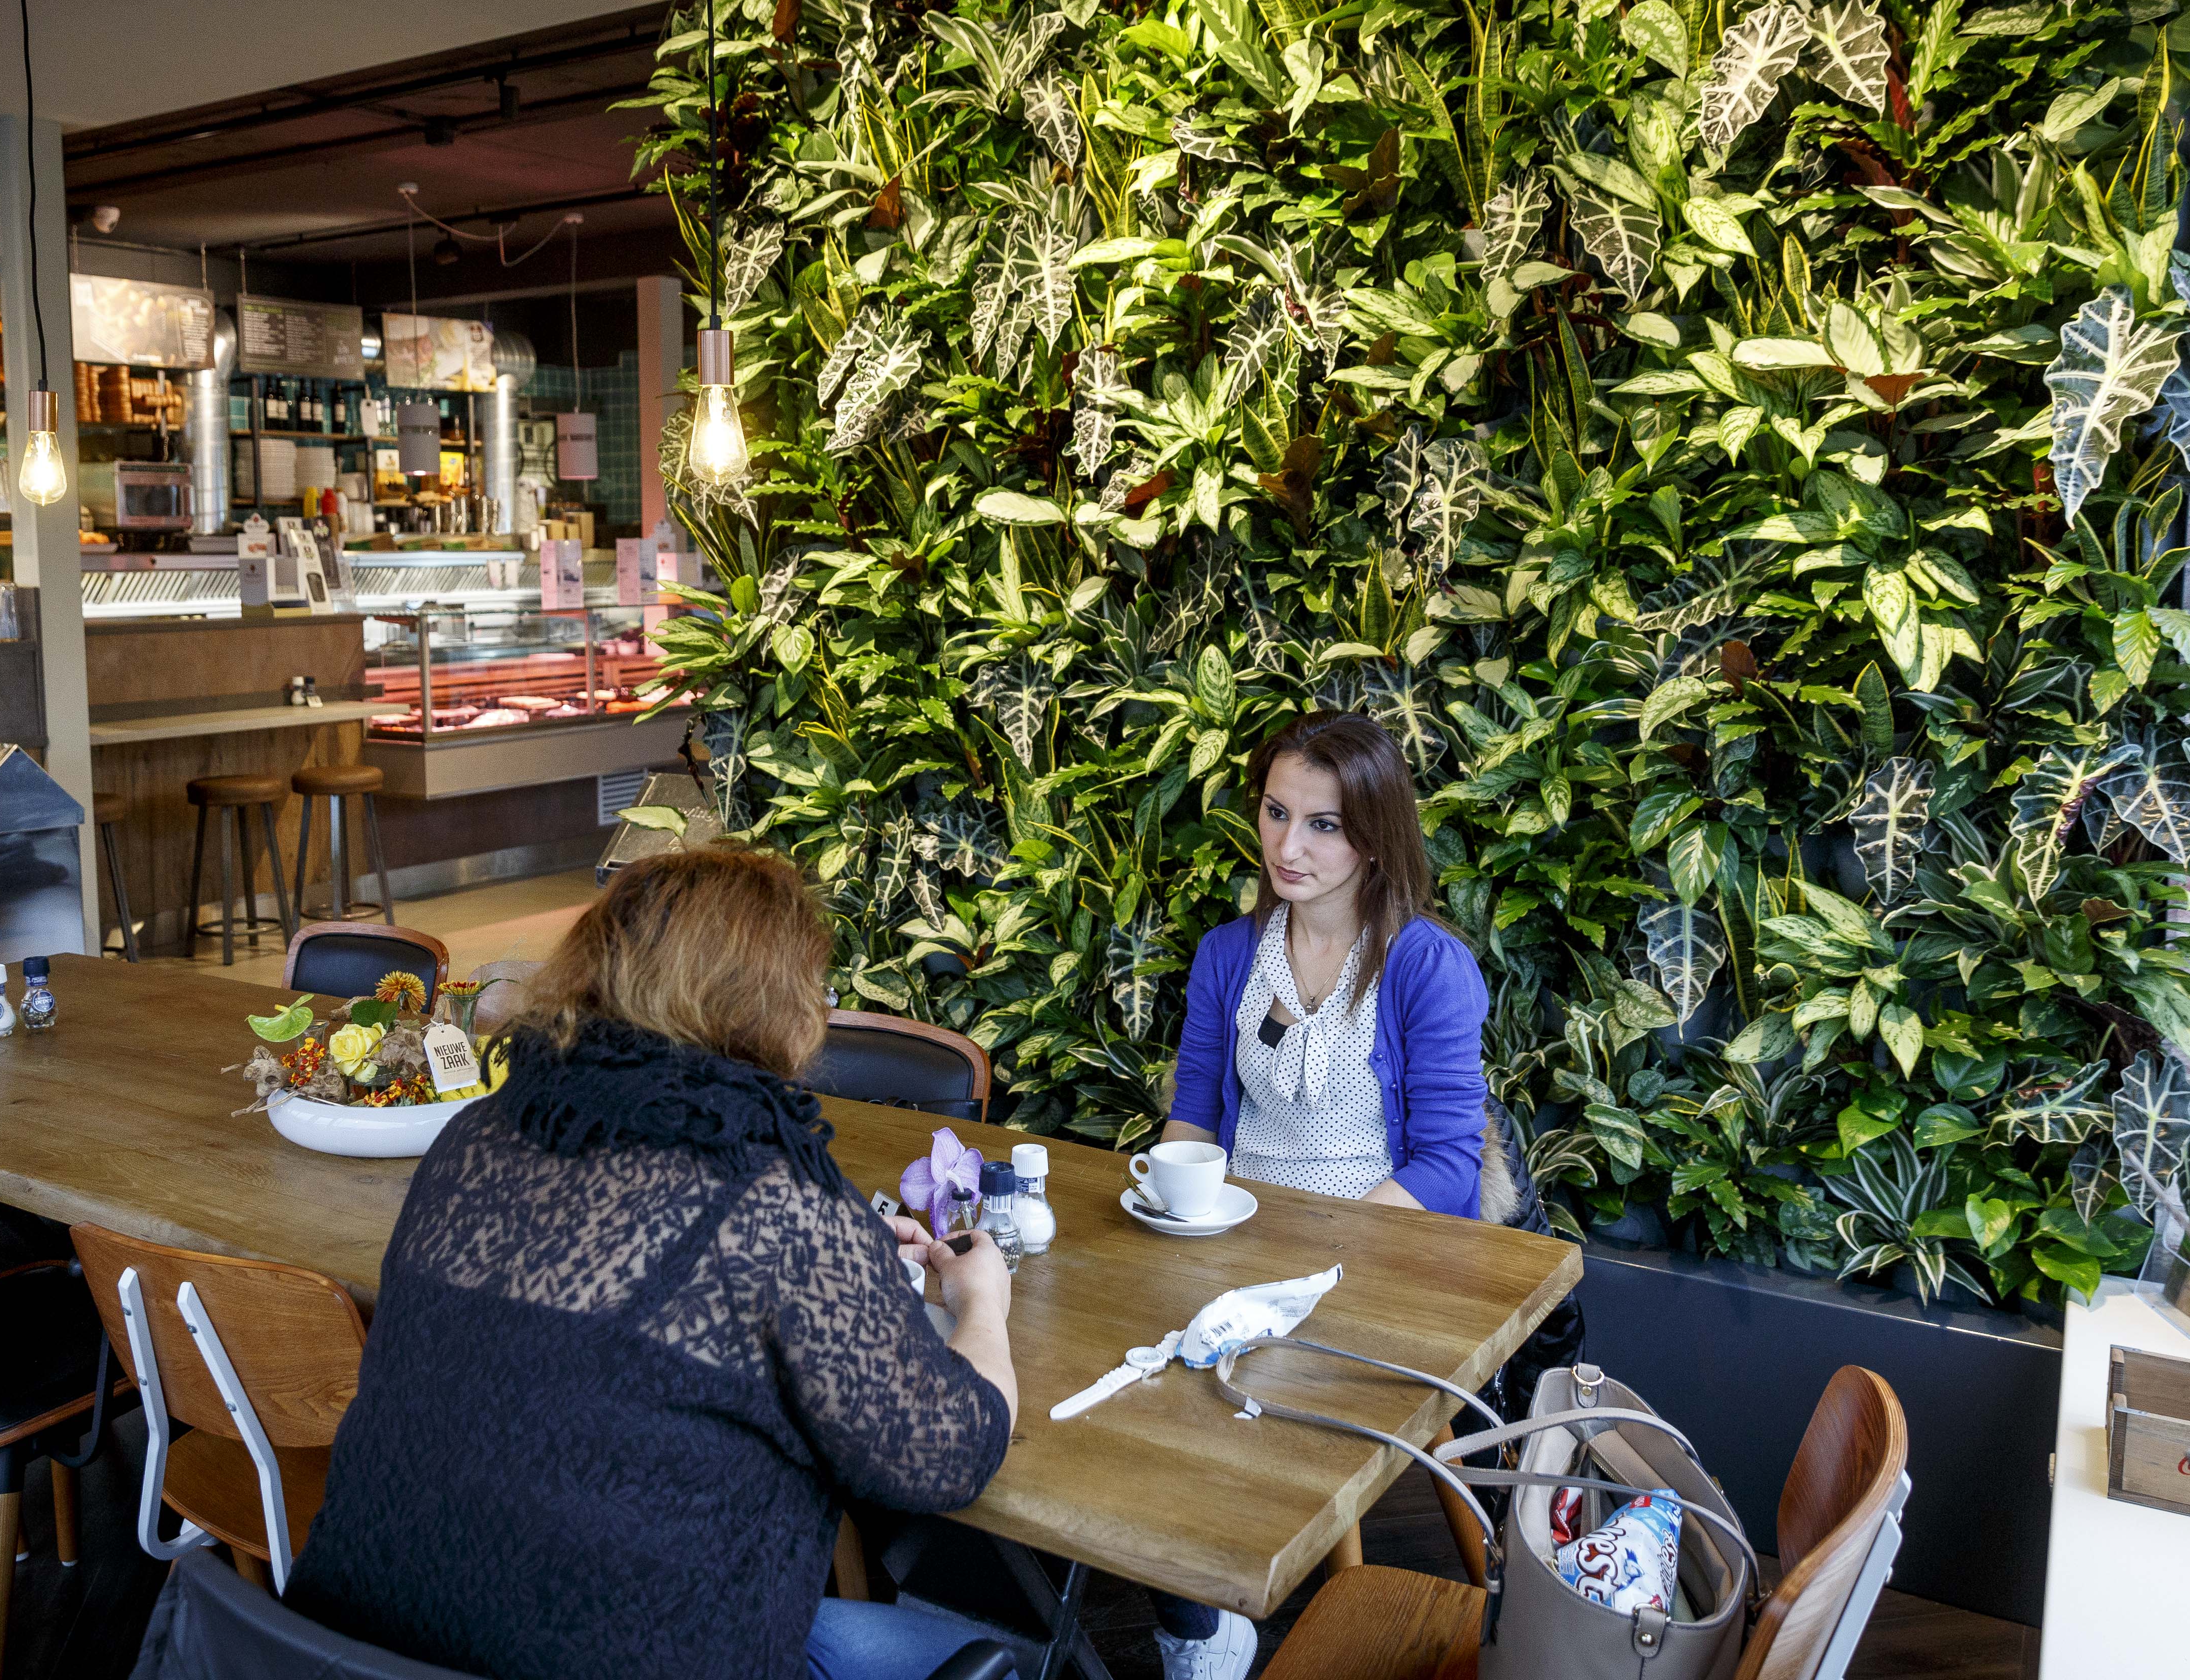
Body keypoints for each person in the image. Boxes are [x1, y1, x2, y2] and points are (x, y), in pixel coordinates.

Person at [281, 846, 1022, 1680]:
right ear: (778, 1002)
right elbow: (947, 1456)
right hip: (628, 1650)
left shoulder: (475, 1138)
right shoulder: (777, 1202)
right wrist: (981, 1303)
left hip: (349, 1654)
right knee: (995, 1660)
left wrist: (839, 1260)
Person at [1146, 710, 1493, 1678]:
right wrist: (1177, 1208)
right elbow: (1195, 1117)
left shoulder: (1425, 965)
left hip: (1380, 1254)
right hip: (1240, 1238)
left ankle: (1250, 1607)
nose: (1287, 847)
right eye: (1274, 813)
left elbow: (1445, 1166)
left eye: (1323, 825)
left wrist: (1313, 1262)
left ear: (1374, 838)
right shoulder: (1229, 954)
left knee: (1243, 1366)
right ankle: (1201, 1620)